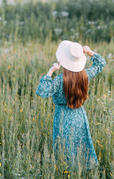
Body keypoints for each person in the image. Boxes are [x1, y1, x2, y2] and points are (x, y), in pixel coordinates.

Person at [36, 40, 106, 169]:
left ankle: (65, 172)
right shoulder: (85, 75)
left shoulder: (59, 80)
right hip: (79, 115)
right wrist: (90, 52)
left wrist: (50, 71)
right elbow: (101, 63)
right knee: (81, 143)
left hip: (62, 116)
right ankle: (84, 169)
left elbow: (42, 91)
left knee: (63, 146)